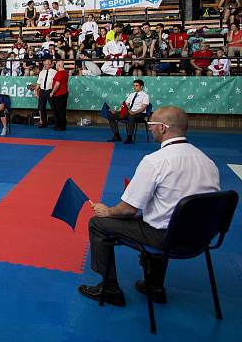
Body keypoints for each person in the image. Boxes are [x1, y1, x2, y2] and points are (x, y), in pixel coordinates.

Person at [78, 106, 220, 307]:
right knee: (163, 216)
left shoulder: (155, 161)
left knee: (98, 223)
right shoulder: (208, 161)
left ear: (163, 128)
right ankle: (154, 286)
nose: (150, 128)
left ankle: (109, 288)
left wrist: (106, 211)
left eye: (151, 125)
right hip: (202, 237)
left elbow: (128, 209)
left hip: (165, 238)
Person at [105, 79, 150, 144]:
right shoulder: (131, 94)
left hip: (139, 114)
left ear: (141, 86)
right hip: (130, 112)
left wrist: (134, 112)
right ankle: (117, 136)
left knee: (131, 116)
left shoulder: (145, 96)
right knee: (111, 115)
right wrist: (116, 111)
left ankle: (129, 137)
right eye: (134, 85)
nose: (134, 87)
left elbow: (143, 108)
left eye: (136, 85)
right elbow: (125, 105)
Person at [33, 59, 56, 128]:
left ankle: (57, 123)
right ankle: (43, 122)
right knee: (41, 107)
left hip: (50, 91)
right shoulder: (42, 72)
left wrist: (53, 92)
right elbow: (38, 82)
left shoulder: (55, 72)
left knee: (54, 107)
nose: (45, 65)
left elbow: (57, 83)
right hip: (42, 91)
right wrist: (36, 90)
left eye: (47, 64)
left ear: (51, 64)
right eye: (44, 64)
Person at [50, 60, 69, 131]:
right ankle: (63, 126)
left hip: (59, 94)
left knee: (59, 111)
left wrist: (52, 92)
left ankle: (59, 126)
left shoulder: (59, 73)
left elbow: (57, 84)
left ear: (59, 65)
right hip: (64, 93)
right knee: (63, 111)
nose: (55, 66)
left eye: (56, 65)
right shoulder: (65, 73)